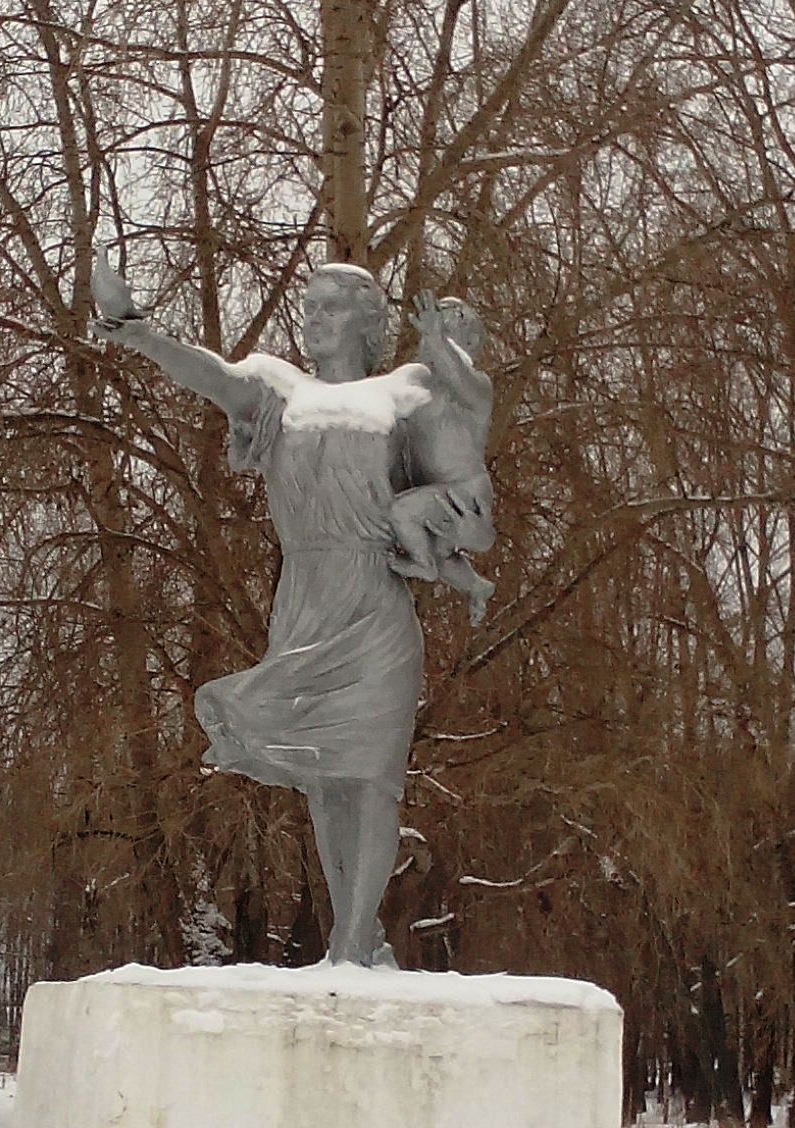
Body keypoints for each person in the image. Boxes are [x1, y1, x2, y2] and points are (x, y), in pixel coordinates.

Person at [90, 250, 493, 965]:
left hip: (375, 603)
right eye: (307, 307)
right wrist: (140, 332)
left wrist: (450, 361)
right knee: (327, 782)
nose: (312, 320)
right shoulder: (278, 390)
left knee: (370, 775)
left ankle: (350, 941)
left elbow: (468, 485)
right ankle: (355, 934)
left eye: (330, 308)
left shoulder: (404, 394)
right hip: (305, 601)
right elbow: (210, 373)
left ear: (368, 322)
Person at [386, 294, 494, 620]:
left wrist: (435, 339)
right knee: (440, 549)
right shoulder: (417, 390)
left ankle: (423, 565)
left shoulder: (477, 388)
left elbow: (457, 375)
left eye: (448, 325)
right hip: (436, 490)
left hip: (464, 491)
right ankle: (475, 586)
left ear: (470, 341)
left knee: (403, 515)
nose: (431, 332)